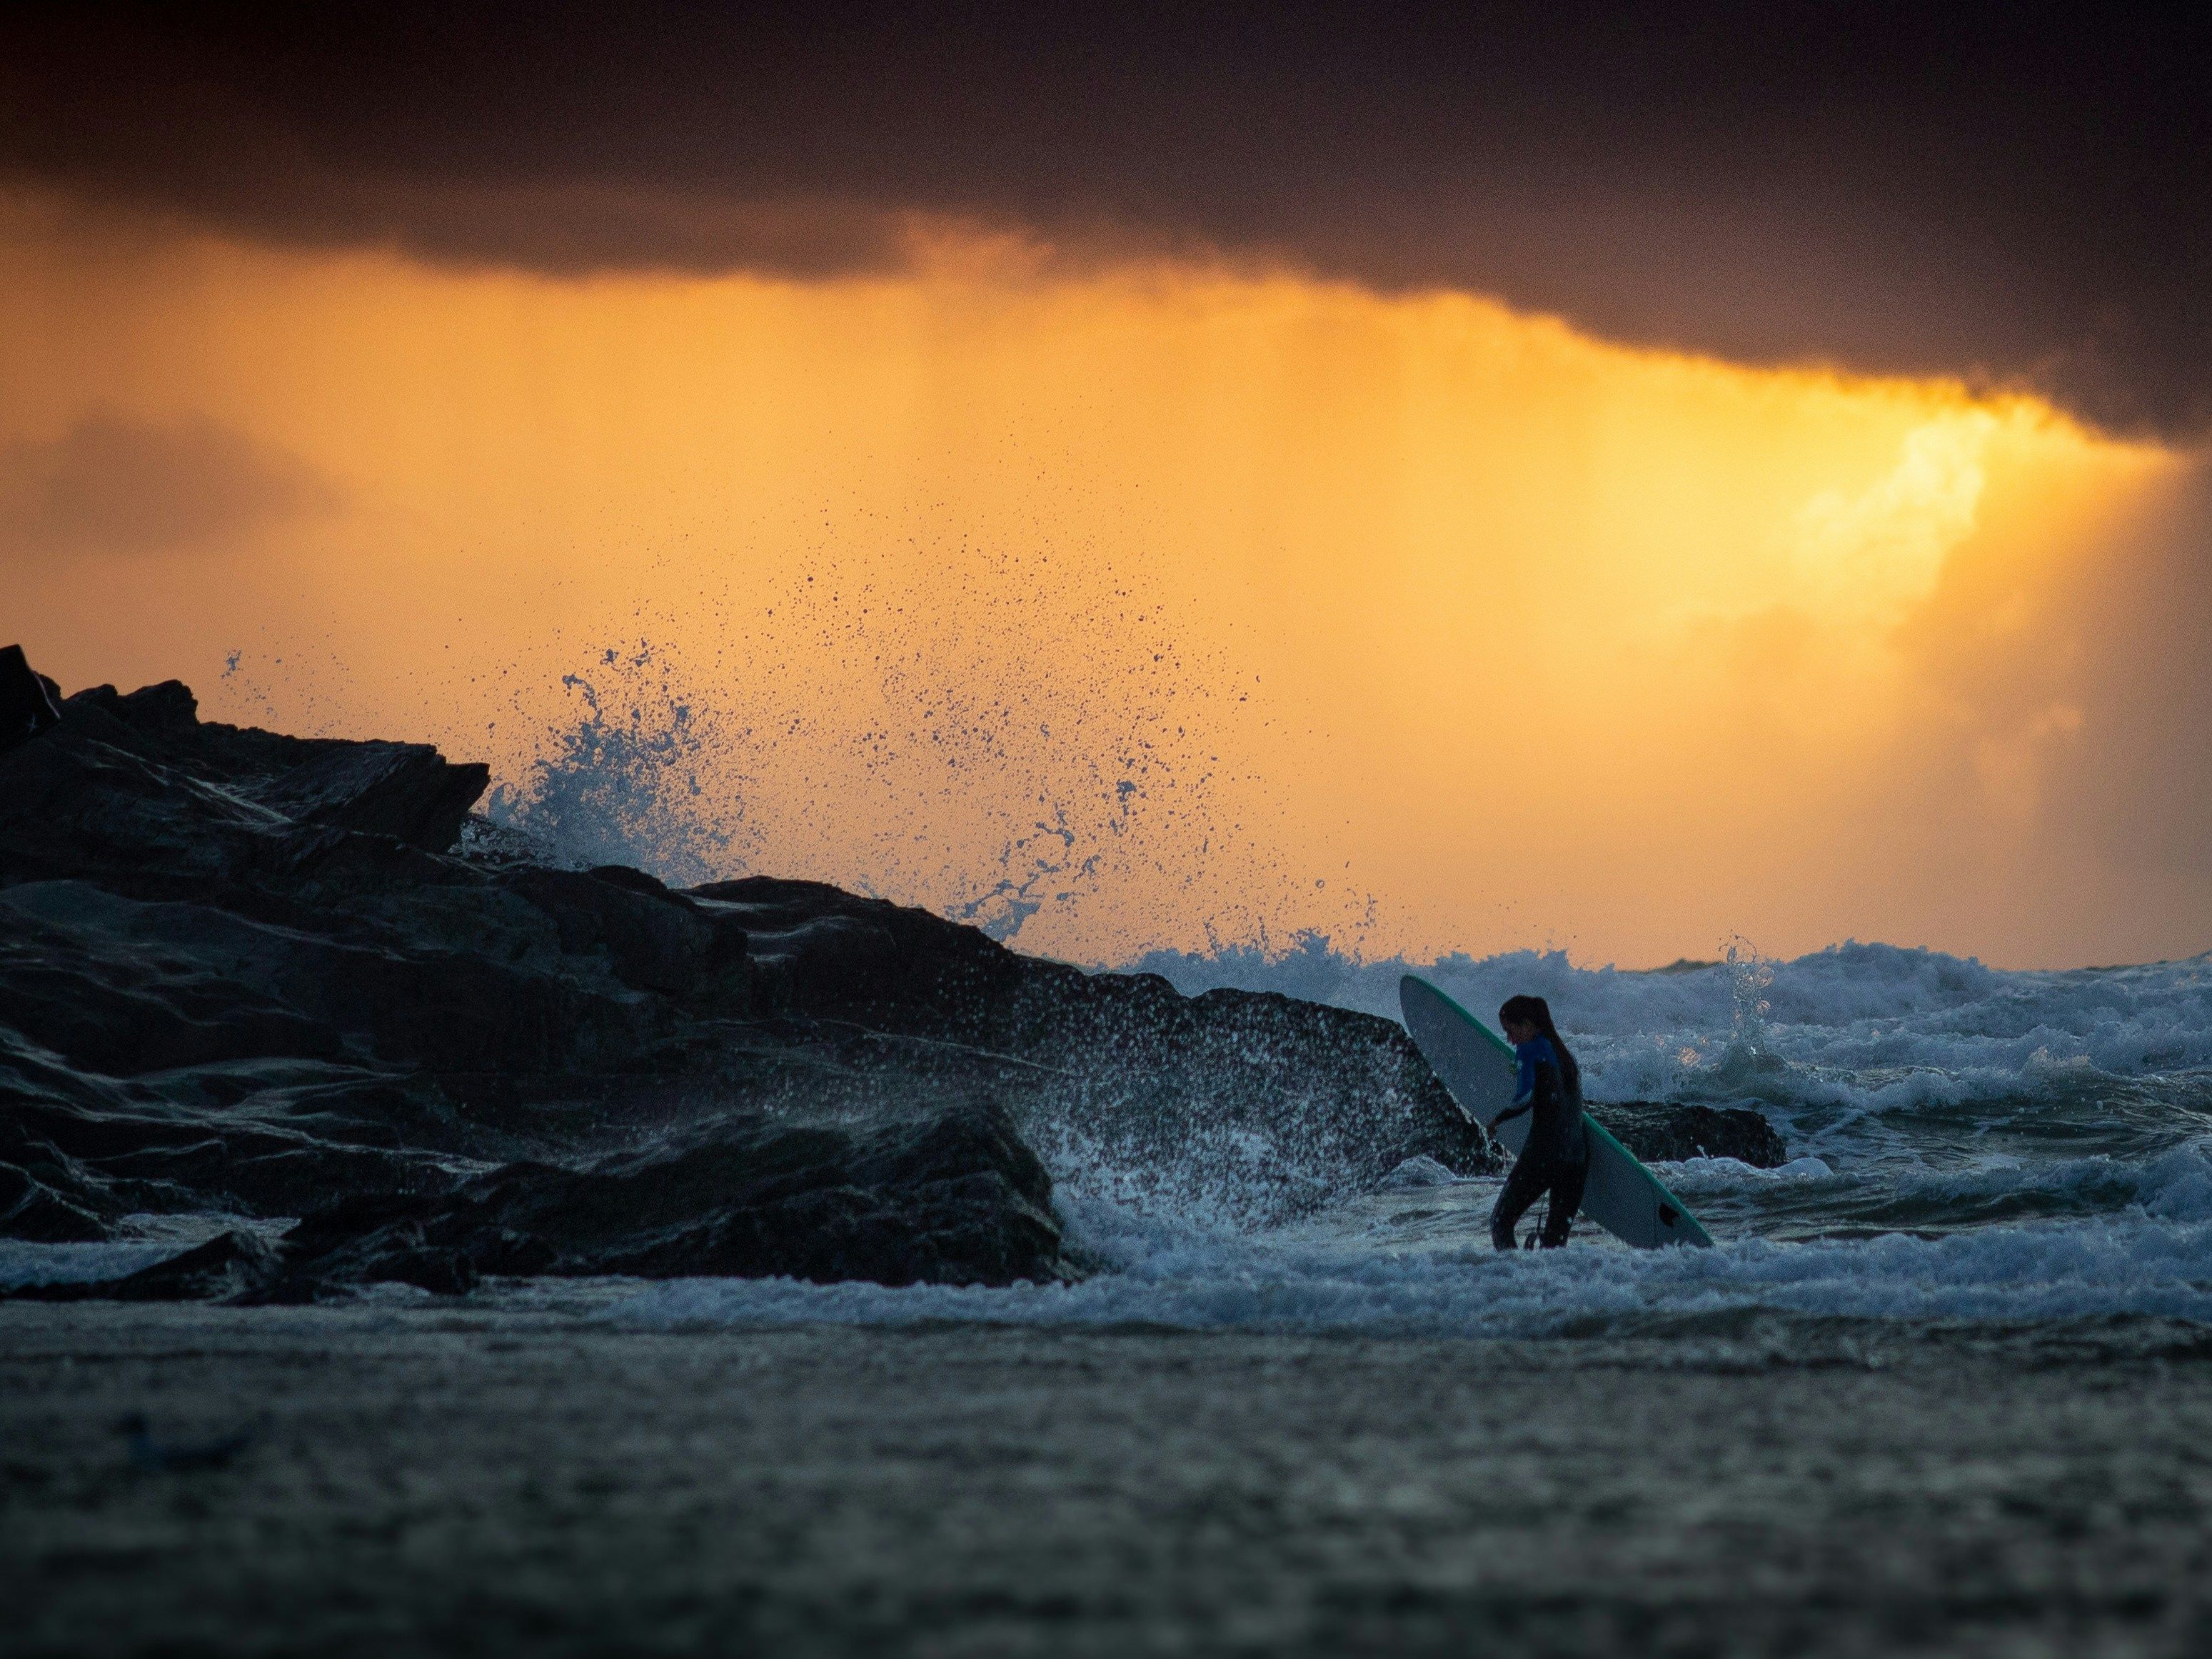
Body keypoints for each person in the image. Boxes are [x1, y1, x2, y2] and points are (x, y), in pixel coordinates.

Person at [1487, 993, 1589, 1250]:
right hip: (1577, 1161)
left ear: (1529, 1024)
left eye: (1511, 1031)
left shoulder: (1530, 1050)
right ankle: (1552, 1288)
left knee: (1501, 1222)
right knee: (1555, 1245)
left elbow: (1525, 1098)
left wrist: (1497, 1119)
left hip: (1544, 1157)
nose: (1510, 1040)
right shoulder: (1567, 1057)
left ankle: (1511, 1283)